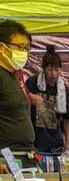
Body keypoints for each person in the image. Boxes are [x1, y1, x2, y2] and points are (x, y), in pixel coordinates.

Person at [25, 45, 69, 168]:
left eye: (57, 70)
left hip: (55, 141)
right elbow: (22, 104)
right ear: (44, 69)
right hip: (35, 141)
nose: (53, 74)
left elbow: (68, 118)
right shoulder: (32, 83)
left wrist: (67, 141)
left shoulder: (63, 89)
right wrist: (30, 98)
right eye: (50, 70)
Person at [0, 19, 35, 155]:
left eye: (26, 48)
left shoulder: (13, 75)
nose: (24, 52)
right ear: (2, 47)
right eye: (20, 47)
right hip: (6, 157)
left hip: (23, 155)